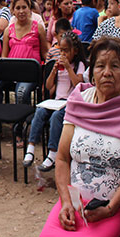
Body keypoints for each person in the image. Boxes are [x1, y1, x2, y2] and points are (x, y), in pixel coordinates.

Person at [40, 37, 120, 237]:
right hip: (74, 204)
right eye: (100, 66)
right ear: (92, 73)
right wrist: (66, 202)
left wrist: (111, 209)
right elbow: (62, 158)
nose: (107, 73)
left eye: (115, 66)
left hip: (117, 208)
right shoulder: (79, 100)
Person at [24, 32, 86, 172]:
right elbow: (48, 86)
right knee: (40, 111)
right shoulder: (58, 65)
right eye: (61, 50)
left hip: (70, 103)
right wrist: (53, 71)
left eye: (66, 51)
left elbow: (78, 84)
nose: (63, 54)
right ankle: (31, 147)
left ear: (75, 51)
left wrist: (69, 68)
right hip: (56, 101)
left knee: (56, 117)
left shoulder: (79, 65)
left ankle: (52, 153)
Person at [2, 0, 48, 113]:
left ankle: (23, 121)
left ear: (30, 9)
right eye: (18, 8)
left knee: (21, 92)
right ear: (13, 11)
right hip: (11, 71)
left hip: (30, 73)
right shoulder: (8, 30)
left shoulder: (38, 28)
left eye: (24, 7)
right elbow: (4, 56)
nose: (21, 11)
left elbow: (44, 52)